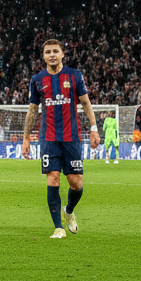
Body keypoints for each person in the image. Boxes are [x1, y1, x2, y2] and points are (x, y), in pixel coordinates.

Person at [21, 37, 100, 238]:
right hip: (48, 138)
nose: (52, 55)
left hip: (71, 137)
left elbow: (86, 103)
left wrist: (93, 128)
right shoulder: (37, 80)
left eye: (55, 51)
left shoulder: (74, 76)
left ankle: (69, 211)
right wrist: (26, 138)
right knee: (53, 178)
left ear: (62, 54)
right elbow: (32, 111)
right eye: (48, 52)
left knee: (76, 183)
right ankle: (58, 227)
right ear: (43, 56)